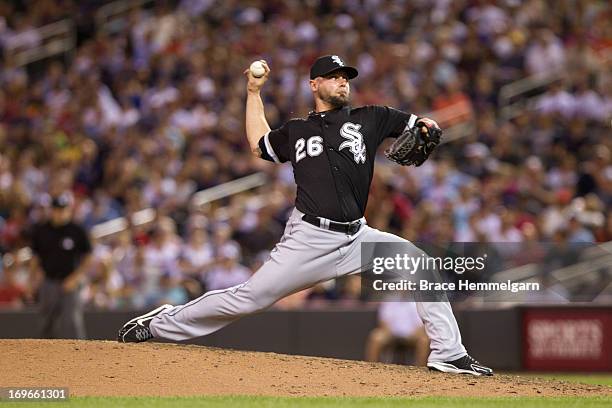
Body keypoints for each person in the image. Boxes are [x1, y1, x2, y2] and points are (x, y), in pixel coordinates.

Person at [117, 55, 493, 376]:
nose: (343, 81)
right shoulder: (297, 129)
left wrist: (428, 124)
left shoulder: (372, 117)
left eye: (346, 77)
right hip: (309, 238)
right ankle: (160, 323)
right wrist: (252, 93)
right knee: (249, 298)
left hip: (358, 237)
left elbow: (417, 124)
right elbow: (259, 144)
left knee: (420, 265)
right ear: (315, 84)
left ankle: (448, 354)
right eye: (334, 76)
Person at [30, 193, 92, 339]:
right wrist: (32, 279)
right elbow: (35, 256)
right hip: (49, 281)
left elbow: (88, 257)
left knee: (72, 322)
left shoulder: (77, 230)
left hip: (70, 282)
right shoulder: (42, 230)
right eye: (57, 209)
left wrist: (75, 278)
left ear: (69, 210)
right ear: (52, 210)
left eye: (63, 209)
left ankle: (78, 355)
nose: (60, 213)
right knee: (46, 321)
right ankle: (44, 356)